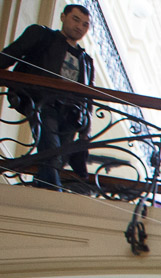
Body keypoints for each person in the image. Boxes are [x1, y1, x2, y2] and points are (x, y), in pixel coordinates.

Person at [0, 5, 94, 190]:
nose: (80, 27)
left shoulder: (87, 61)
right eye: (75, 19)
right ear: (63, 17)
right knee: (51, 150)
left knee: (58, 158)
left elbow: (88, 96)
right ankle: (54, 193)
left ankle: (41, 187)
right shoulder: (42, 35)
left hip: (72, 114)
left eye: (85, 24)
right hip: (42, 102)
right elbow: (12, 53)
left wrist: (86, 128)